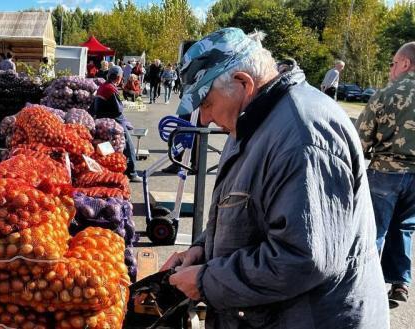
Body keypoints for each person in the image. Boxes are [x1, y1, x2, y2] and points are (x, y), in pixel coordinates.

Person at [158, 27, 388, 328]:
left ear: (243, 83)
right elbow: (245, 208)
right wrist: (202, 249)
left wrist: (207, 281)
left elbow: (303, 258)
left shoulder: (303, 137)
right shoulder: (252, 117)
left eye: (206, 104)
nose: (203, 119)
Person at [356, 42, 415, 308]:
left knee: (373, 230)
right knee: (405, 227)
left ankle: (365, 286)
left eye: (393, 63)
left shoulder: (386, 93)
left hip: (385, 172)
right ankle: (400, 283)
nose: (391, 69)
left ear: (405, 63)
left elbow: (362, 140)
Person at [89, 66, 139, 182]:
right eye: (121, 77)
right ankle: (132, 173)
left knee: (107, 150)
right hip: (113, 122)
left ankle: (109, 173)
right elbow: (118, 110)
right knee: (128, 146)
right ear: (118, 77)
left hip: (102, 122)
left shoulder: (102, 86)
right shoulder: (111, 89)